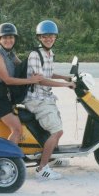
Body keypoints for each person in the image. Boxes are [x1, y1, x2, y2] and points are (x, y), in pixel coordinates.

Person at [23, 20, 76, 180]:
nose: (48, 39)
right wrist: (66, 84)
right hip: (37, 99)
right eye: (45, 36)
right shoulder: (35, 55)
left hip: (46, 97)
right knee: (57, 131)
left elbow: (49, 73)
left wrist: (65, 77)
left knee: (52, 129)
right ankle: (42, 168)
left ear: (55, 37)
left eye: (51, 36)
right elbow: (40, 80)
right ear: (39, 38)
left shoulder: (49, 53)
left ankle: (51, 157)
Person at [0, 22, 43, 144]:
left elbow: (23, 67)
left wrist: (38, 60)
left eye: (11, 37)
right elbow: (7, 80)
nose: (8, 40)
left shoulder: (10, 54)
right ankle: (11, 159)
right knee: (17, 129)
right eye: (5, 37)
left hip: (7, 96)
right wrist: (30, 80)